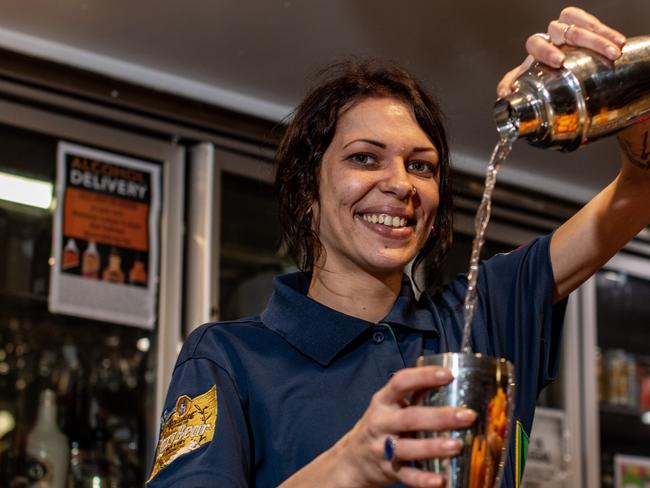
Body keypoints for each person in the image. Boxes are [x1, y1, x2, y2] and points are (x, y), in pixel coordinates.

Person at [146, 7, 649, 488]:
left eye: (422, 166)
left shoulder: (482, 314)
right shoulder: (230, 356)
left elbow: (640, 188)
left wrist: (623, 87)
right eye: (365, 158)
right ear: (307, 195)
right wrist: (351, 463)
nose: (400, 184)